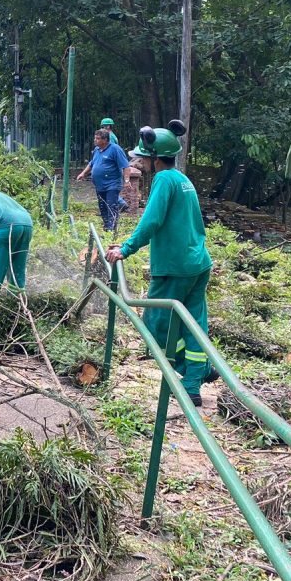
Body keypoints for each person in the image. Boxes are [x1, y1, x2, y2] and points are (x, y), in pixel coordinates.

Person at [105, 126, 217, 407]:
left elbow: (151, 220)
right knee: (193, 324)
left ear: (156, 158)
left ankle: (194, 373)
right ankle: (195, 379)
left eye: (143, 157)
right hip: (197, 263)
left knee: (155, 325)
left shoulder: (164, 180)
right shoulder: (182, 179)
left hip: (174, 267)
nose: (139, 162)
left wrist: (126, 249)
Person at [77, 129, 131, 231]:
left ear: (105, 140)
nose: (95, 140)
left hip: (112, 184)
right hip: (100, 185)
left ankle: (112, 229)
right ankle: (106, 227)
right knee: (102, 207)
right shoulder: (97, 149)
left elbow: (125, 166)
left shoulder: (115, 149)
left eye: (97, 138)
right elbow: (92, 163)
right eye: (95, 138)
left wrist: (127, 181)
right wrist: (83, 173)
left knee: (111, 206)